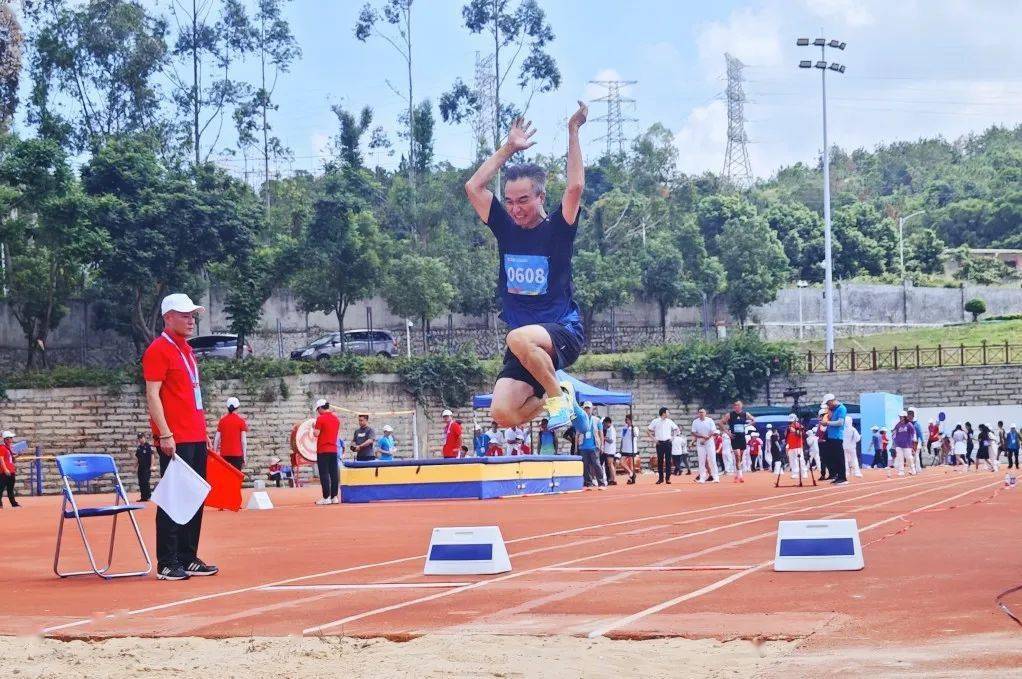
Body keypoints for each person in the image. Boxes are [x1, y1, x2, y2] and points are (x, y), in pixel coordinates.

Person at [465, 104, 590, 433]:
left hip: (561, 331)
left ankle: (556, 397)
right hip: (525, 347)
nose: (514, 209)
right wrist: (508, 148)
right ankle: (562, 394)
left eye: (523, 201)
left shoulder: (558, 229)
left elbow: (575, 187)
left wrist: (573, 131)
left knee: (517, 337)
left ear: (540, 197)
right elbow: (473, 188)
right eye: (509, 201)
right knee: (503, 412)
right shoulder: (505, 228)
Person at [142, 293, 218, 580]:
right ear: (168, 317)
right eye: (184, 315)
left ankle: (188, 556)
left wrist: (204, 431)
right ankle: (167, 561)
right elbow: (153, 395)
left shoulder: (186, 350)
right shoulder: (158, 350)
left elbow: (192, 395)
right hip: (176, 437)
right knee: (175, 498)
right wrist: (165, 433)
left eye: (193, 315)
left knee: (195, 496)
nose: (191, 320)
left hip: (195, 435)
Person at [312, 399, 342, 504]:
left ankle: (326, 497)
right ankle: (334, 497)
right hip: (333, 449)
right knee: (334, 474)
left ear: (320, 408)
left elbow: (316, 434)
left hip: (323, 450)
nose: (317, 411)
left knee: (324, 473)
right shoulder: (336, 419)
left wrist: (313, 428)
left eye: (318, 409)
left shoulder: (320, 419)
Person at [720, 401, 754, 478]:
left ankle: (737, 472)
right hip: (734, 437)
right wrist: (728, 433)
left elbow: (754, 420)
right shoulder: (730, 415)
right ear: (734, 406)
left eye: (738, 405)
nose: (737, 406)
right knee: (737, 456)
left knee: (740, 457)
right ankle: (740, 475)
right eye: (735, 405)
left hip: (742, 437)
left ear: (741, 406)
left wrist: (747, 425)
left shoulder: (745, 414)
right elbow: (720, 423)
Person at [214, 396, 248, 471]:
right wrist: (244, 457)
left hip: (224, 455)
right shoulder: (241, 421)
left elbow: (216, 439)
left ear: (227, 407)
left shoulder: (222, 421)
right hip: (237, 455)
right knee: (235, 479)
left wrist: (215, 453)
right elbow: (243, 441)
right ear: (238, 407)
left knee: (224, 478)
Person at [647, 407, 680, 485]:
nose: (668, 414)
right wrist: (654, 439)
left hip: (668, 442)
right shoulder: (655, 421)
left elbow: (677, 429)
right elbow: (648, 430)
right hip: (659, 443)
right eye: (667, 412)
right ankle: (660, 478)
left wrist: (673, 437)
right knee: (660, 461)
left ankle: (668, 478)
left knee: (668, 461)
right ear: (663, 413)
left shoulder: (670, 421)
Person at [577, 402, 606, 489]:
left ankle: (601, 483)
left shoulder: (597, 420)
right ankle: (588, 483)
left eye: (588, 408)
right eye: (585, 408)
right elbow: (577, 434)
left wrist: (602, 446)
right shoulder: (580, 420)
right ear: (583, 409)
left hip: (594, 446)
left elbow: (601, 434)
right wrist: (576, 447)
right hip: (583, 446)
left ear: (592, 409)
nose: (587, 410)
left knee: (596, 464)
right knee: (585, 466)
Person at [821, 394, 848, 485]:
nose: (828, 406)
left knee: (839, 458)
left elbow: (840, 423)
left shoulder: (841, 408)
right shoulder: (833, 410)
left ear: (832, 401)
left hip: (837, 437)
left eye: (828, 403)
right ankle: (837, 476)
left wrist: (827, 422)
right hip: (831, 436)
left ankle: (842, 477)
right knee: (832, 457)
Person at [691, 409, 719, 483]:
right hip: (700, 443)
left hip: (709, 442)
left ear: (705, 413)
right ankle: (702, 478)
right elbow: (693, 432)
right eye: (700, 412)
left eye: (702, 412)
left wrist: (706, 438)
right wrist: (702, 436)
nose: (701, 414)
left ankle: (716, 477)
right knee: (701, 461)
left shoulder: (710, 420)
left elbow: (713, 431)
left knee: (712, 459)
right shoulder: (695, 421)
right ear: (698, 413)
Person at [891, 411, 917, 477]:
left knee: (909, 457)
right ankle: (901, 471)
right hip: (898, 444)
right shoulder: (898, 425)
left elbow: (913, 432)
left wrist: (914, 438)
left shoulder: (909, 424)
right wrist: (894, 439)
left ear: (905, 417)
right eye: (899, 416)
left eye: (901, 416)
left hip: (907, 444)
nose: (900, 418)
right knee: (900, 457)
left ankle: (913, 469)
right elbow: (894, 432)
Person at [786, 414, 808, 480]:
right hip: (791, 446)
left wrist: (794, 431)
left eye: (792, 421)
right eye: (790, 421)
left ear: (795, 420)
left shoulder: (799, 425)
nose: (791, 422)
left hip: (798, 446)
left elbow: (801, 434)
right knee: (792, 460)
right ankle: (795, 473)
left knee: (800, 460)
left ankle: (804, 473)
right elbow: (787, 436)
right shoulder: (789, 427)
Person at [0, 431, 19, 508]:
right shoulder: (2, 448)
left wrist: (18, 455)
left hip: (11, 471)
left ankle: (13, 503)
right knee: (1, 488)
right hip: (5, 472)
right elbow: (1, 459)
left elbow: (11, 460)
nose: (12, 439)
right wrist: (5, 469)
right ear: (6, 439)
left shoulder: (8, 449)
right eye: (10, 438)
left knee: (10, 489)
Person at [135, 432, 154, 502]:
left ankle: (148, 496)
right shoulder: (139, 447)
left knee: (145, 481)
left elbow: (152, 456)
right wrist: (135, 465)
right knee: (141, 482)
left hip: (147, 467)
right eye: (139, 438)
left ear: (144, 438)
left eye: (141, 438)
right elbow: (137, 457)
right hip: (140, 467)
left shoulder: (148, 446)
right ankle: (143, 497)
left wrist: (152, 465)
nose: (140, 439)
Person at [619, 413, 637, 484]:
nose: (626, 421)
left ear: (630, 420)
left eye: (627, 419)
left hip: (631, 448)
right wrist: (621, 447)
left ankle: (630, 478)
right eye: (626, 419)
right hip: (625, 448)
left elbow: (635, 435)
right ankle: (631, 473)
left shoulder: (634, 428)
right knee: (621, 462)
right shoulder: (624, 428)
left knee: (631, 464)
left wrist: (631, 428)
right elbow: (622, 438)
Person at [601, 416, 618, 485]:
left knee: (610, 465)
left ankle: (613, 479)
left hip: (610, 450)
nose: (604, 425)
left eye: (605, 424)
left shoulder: (611, 430)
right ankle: (611, 479)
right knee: (609, 465)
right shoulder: (609, 429)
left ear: (608, 423)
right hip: (608, 449)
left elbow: (611, 440)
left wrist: (604, 438)